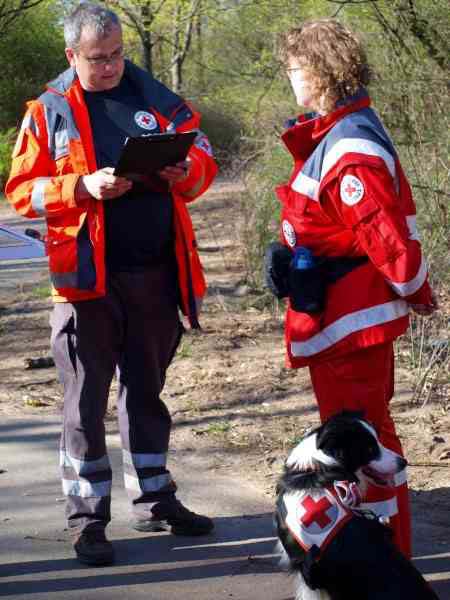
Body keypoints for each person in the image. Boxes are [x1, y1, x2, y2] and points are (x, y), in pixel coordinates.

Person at [6, 2, 217, 566]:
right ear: (72, 54)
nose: (110, 67)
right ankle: (87, 519)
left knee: (147, 393)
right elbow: (21, 191)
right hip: (85, 283)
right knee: (84, 403)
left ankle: (154, 500)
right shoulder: (48, 111)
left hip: (155, 275)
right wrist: (81, 187)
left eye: (117, 54)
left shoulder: (158, 98)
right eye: (97, 58)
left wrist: (184, 171)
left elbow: (204, 160)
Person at [266, 18, 438, 559]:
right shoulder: (338, 132)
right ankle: (374, 556)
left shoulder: (347, 147)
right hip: (341, 318)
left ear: (319, 72)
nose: (290, 78)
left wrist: (417, 290)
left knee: (368, 448)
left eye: (295, 68)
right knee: (362, 443)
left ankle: (384, 559)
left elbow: (384, 237)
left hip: (351, 324)